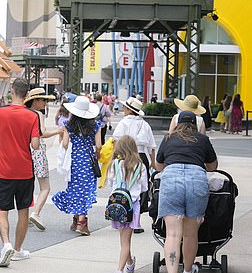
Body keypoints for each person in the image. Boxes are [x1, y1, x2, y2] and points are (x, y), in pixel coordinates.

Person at [155, 111, 218, 273]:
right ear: (196, 125)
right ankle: (188, 272)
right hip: (196, 180)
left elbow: (159, 166)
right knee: (191, 233)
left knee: (173, 234)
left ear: (178, 123)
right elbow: (213, 166)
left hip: (172, 180)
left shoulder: (168, 138)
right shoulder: (203, 140)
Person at [0, 78, 40, 267]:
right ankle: (18, 250)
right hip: (25, 171)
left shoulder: (0, 113)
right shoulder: (33, 116)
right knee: (23, 210)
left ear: (12, 91)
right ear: (27, 95)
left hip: (4, 169)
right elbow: (35, 145)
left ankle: (6, 244)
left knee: (2, 209)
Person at [51, 95, 102, 236]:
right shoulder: (95, 126)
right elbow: (98, 145)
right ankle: (81, 223)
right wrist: (97, 154)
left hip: (74, 161)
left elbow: (66, 144)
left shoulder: (68, 126)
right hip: (87, 161)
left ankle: (75, 220)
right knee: (85, 191)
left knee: (75, 189)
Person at [112, 97, 157, 234]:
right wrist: (153, 162)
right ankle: (136, 222)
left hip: (125, 155)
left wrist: (115, 156)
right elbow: (152, 146)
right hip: (141, 157)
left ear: (128, 109)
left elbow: (116, 140)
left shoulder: (123, 123)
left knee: (123, 184)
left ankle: (121, 214)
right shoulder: (145, 124)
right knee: (140, 190)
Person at [107, 135, 148, 273]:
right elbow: (144, 187)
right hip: (132, 206)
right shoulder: (140, 166)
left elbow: (110, 182)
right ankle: (119, 271)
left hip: (117, 205)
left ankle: (130, 263)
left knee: (123, 239)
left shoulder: (115, 164)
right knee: (126, 240)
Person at [23, 88, 62, 231]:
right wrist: (58, 131)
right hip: (37, 150)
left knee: (28, 185)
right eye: (43, 100)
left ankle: (25, 215)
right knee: (45, 187)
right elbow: (42, 133)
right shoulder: (38, 114)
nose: (45, 103)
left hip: (24, 150)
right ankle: (36, 213)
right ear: (35, 101)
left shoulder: (24, 113)